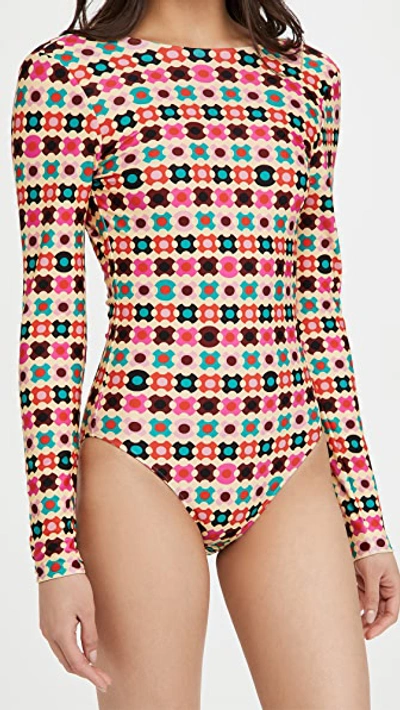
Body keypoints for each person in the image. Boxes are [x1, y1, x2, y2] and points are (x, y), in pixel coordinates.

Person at [10, 0, 399, 707]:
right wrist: (54, 555)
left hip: (289, 457)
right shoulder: (69, 75)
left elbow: (318, 305)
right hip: (139, 456)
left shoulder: (310, 80)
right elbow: (52, 315)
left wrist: (368, 522)